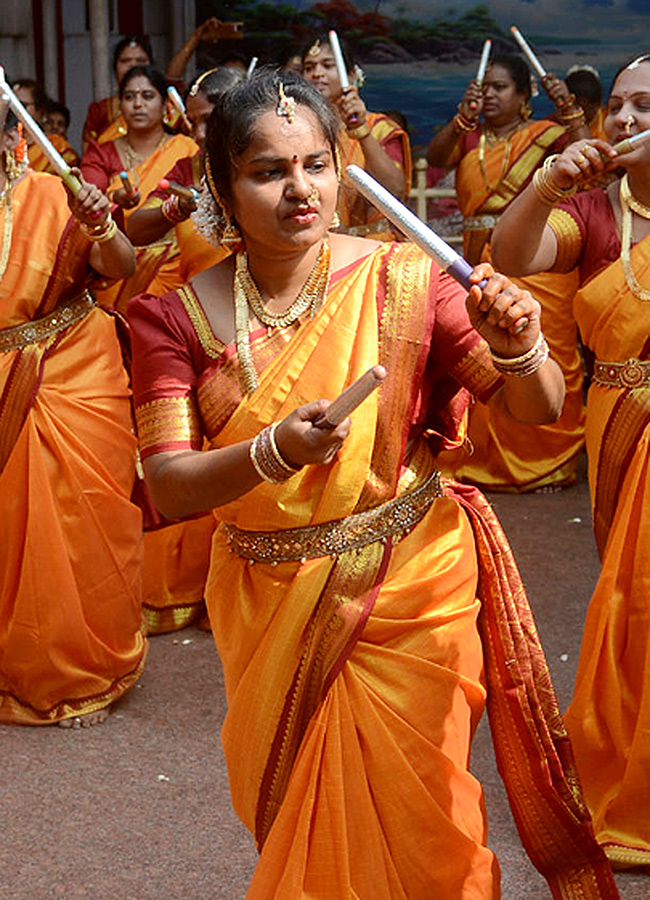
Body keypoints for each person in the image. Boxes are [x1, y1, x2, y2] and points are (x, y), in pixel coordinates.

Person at [128, 70, 618, 899]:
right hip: (269, 597)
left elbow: (537, 409)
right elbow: (170, 487)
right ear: (220, 185)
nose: (299, 191)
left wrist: (519, 341)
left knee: (427, 810)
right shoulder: (173, 317)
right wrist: (272, 451)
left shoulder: (407, 280)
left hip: (413, 583)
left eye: (316, 165)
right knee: (306, 817)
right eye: (268, 171)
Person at [491, 53, 650, 871]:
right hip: (620, 429)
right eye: (617, 106)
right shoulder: (593, 214)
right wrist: (548, 184)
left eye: (643, 106)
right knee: (634, 603)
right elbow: (511, 254)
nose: (624, 120)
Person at [0, 108, 146, 727]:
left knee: (82, 519)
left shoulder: (54, 192)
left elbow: (122, 267)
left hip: (73, 371)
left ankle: (83, 669)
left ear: (12, 136)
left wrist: (101, 224)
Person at [427, 55, 588, 492]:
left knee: (542, 352)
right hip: (480, 260)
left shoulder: (546, 136)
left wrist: (571, 114)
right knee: (484, 354)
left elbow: (592, 164)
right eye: (487, 88)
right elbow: (435, 159)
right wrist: (462, 119)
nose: (491, 96)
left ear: (523, 98)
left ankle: (546, 461)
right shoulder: (471, 137)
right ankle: (482, 460)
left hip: (535, 258)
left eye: (501, 88)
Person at [126, 65, 245, 635]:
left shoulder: (264, 173)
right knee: (182, 456)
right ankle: (183, 588)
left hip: (255, 333)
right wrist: (173, 210)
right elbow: (134, 230)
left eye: (209, 122)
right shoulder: (188, 170)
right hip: (190, 332)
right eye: (194, 123)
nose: (198, 135)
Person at [81, 64, 197, 313]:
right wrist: (114, 198)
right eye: (129, 97)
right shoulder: (102, 151)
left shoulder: (186, 149)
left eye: (147, 96)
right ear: (120, 105)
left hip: (176, 266)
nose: (137, 104)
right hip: (117, 264)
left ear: (166, 105)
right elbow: (86, 202)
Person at [301, 33, 412, 240]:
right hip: (323, 248)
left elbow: (395, 191)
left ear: (351, 76)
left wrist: (361, 129)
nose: (317, 73)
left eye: (327, 65)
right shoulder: (301, 133)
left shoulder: (379, 127)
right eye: (309, 68)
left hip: (375, 249)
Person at [81, 34, 153, 153]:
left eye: (140, 61)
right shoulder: (100, 111)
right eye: (125, 61)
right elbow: (88, 154)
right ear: (115, 67)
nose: (132, 66)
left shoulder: (166, 109)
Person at [12, 78, 80, 169]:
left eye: (22, 105)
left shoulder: (56, 146)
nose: (14, 110)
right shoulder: (5, 142)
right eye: (11, 105)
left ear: (40, 109)